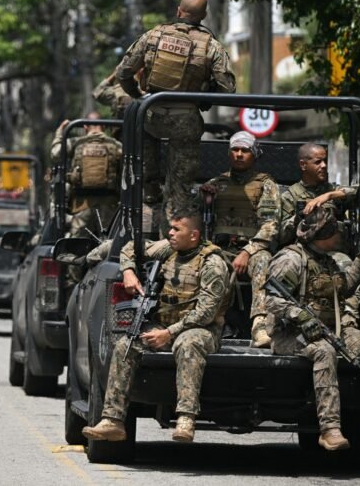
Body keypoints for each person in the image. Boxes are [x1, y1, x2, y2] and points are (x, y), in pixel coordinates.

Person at [264, 208, 360, 450]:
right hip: (290, 335)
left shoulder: (327, 260)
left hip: (330, 329)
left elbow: (342, 288)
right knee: (325, 352)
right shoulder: (291, 260)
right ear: (323, 234)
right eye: (335, 230)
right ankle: (330, 428)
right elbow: (271, 299)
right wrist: (301, 316)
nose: (340, 234)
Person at [82, 211, 231, 443]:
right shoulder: (170, 250)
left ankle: (186, 418)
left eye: (176, 229)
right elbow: (131, 247)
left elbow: (206, 313)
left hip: (201, 330)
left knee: (188, 343)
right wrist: (129, 271)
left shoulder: (213, 263)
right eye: (170, 228)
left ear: (194, 236)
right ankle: (113, 420)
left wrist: (168, 333)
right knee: (126, 344)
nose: (170, 233)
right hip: (164, 325)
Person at [116, 0, 236, 213]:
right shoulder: (211, 45)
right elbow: (228, 89)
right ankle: (172, 227)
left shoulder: (153, 35)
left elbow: (123, 73)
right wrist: (205, 92)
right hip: (185, 121)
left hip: (150, 115)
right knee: (180, 188)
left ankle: (149, 191)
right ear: (203, 16)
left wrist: (138, 97)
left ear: (178, 10)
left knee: (141, 148)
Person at [198, 131, 279, 347]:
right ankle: (210, 323)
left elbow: (271, 225)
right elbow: (192, 219)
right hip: (219, 248)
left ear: (254, 154)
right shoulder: (216, 183)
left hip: (251, 249)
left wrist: (247, 252)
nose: (239, 154)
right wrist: (204, 199)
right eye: (235, 150)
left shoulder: (265, 185)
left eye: (245, 150)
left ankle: (260, 326)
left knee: (263, 260)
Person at [50, 111, 122, 240]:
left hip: (82, 205)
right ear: (104, 126)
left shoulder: (75, 143)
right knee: (107, 244)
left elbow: (55, 154)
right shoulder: (115, 145)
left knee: (77, 246)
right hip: (109, 205)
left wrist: (60, 133)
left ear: (85, 127)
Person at [279, 142, 358, 247]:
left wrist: (329, 196)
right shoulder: (289, 196)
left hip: (333, 253)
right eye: (318, 162)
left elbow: (359, 192)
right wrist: (299, 217)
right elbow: (281, 236)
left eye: (325, 161)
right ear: (303, 165)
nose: (324, 165)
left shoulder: (332, 190)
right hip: (304, 252)